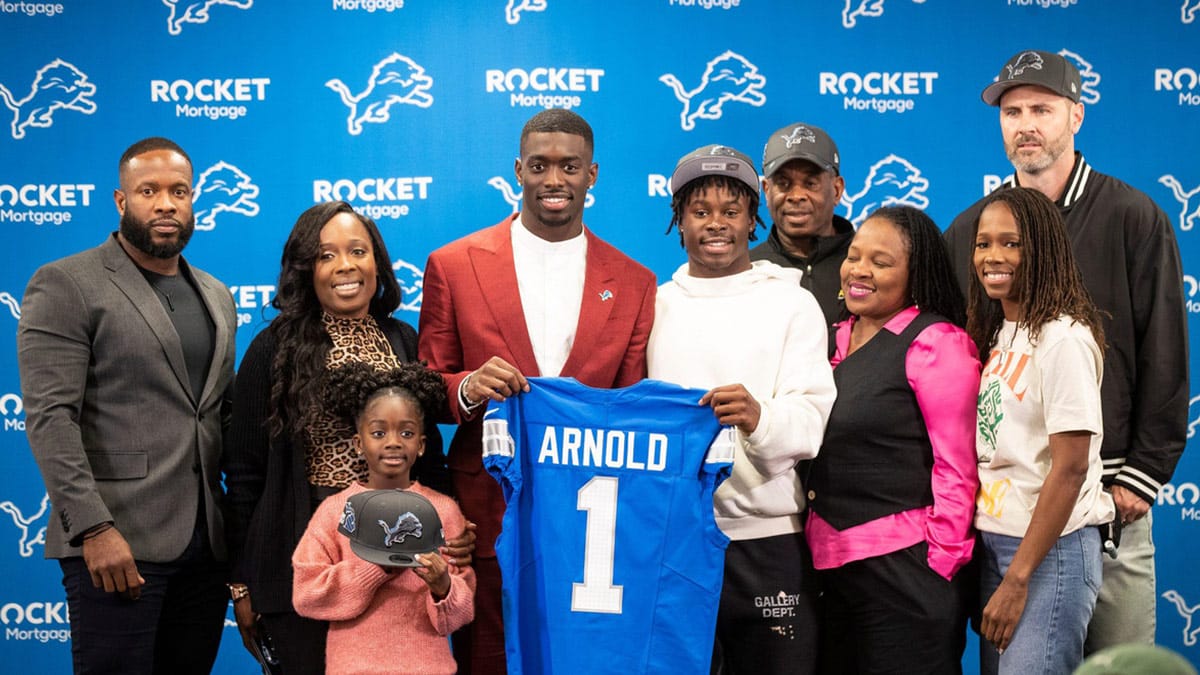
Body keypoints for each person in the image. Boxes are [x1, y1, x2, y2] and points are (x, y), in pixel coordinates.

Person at [943, 49, 1188, 652]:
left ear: (1076, 115)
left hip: (1109, 497)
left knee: (1120, 663)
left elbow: (1165, 353)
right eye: (1012, 111)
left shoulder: (1133, 216)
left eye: (1042, 109)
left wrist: (1141, 478)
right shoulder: (972, 231)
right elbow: (959, 365)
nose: (1026, 123)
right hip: (1013, 508)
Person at [418, 108, 657, 674]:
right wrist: (470, 386)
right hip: (486, 511)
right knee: (487, 656)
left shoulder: (634, 282)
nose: (555, 180)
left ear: (592, 175)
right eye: (541, 166)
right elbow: (425, 387)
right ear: (517, 170)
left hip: (591, 515)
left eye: (570, 167)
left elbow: (632, 407)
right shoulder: (453, 265)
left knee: (581, 655)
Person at [16, 137, 236, 673]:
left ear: (192, 199)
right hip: (117, 543)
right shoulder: (67, 282)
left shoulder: (216, 293)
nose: (166, 203)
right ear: (120, 201)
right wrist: (92, 528)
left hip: (205, 548)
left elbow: (217, 415)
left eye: (178, 191)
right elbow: (50, 417)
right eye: (149, 191)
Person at [223, 201, 470, 674]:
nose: (344, 267)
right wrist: (242, 584)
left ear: (376, 261)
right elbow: (244, 478)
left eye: (357, 251)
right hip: (306, 564)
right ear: (305, 269)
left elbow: (431, 460)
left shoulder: (403, 340)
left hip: (403, 565)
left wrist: (452, 530)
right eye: (325, 255)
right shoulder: (272, 349)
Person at [646, 144, 836, 674]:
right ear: (678, 221)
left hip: (768, 540)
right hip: (675, 539)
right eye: (700, 211)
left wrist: (759, 416)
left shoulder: (791, 301)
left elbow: (811, 417)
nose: (716, 225)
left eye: (731, 211)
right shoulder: (656, 305)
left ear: (753, 218)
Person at [805, 206, 980, 674]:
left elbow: (958, 466)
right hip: (825, 570)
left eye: (881, 262)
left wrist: (938, 564)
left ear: (914, 273)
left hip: (903, 573)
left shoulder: (938, 343)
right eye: (854, 256)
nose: (859, 270)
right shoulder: (827, 338)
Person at [969, 187, 1115, 674]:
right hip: (996, 542)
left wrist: (1018, 577)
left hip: (1046, 553)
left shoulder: (1063, 339)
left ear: (1043, 250)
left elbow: (1070, 469)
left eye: (1011, 243)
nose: (994, 256)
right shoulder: (999, 331)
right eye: (984, 243)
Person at [292, 362, 474, 675]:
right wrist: (376, 566)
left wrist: (443, 586)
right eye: (379, 432)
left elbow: (457, 616)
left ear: (421, 445)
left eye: (406, 432)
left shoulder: (443, 511)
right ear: (359, 444)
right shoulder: (336, 511)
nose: (393, 442)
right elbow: (307, 595)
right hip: (353, 667)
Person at [749, 122, 852, 327]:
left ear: (837, 190)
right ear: (767, 191)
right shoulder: (748, 270)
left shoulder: (867, 266)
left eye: (810, 184)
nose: (796, 196)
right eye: (783, 183)